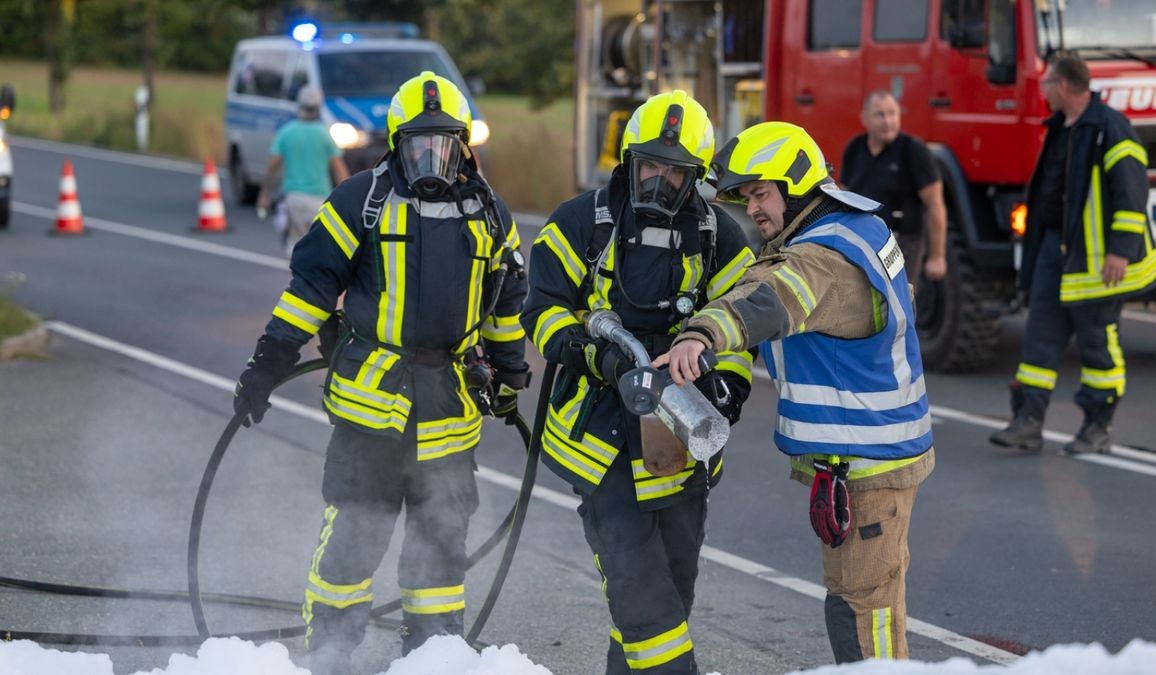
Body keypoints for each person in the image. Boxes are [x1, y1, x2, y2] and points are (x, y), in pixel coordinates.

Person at [233, 71, 530, 674]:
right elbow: (310, 289)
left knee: (442, 548)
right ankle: (332, 657)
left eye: (444, 144)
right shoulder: (360, 200)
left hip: (449, 414)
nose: (432, 158)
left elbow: (505, 303)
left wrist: (508, 375)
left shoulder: (491, 215)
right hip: (371, 414)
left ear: (464, 146)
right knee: (352, 541)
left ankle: (433, 657)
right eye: (419, 144)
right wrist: (267, 364)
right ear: (396, 144)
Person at [656, 121, 935, 663]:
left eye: (762, 193)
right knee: (877, 600)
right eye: (745, 198)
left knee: (859, 608)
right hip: (877, 452)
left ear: (799, 184)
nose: (753, 209)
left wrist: (701, 334)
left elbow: (770, 297)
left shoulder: (822, 258)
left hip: (866, 461)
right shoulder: (853, 228)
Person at [520, 90, 756, 674]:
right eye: (649, 164)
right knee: (644, 602)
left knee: (668, 596)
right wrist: (595, 356)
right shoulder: (580, 223)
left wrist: (726, 388)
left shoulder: (721, 239)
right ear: (628, 160)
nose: (657, 179)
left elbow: (738, 330)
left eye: (673, 171)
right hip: (600, 440)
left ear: (695, 176)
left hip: (683, 442)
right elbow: (543, 309)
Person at [989, 53, 1156, 455]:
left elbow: (1132, 195)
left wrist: (1120, 251)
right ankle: (1027, 421)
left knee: (1097, 343)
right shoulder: (1060, 128)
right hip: (1054, 252)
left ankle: (1097, 426)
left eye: (1048, 83)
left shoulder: (1110, 129)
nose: (1044, 90)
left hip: (1098, 263)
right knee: (1039, 339)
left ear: (1063, 85)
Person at [840, 91, 947, 285]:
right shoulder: (854, 148)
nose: (887, 121)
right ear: (864, 118)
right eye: (879, 115)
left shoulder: (914, 151)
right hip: (861, 242)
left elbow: (935, 204)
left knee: (898, 304)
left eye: (892, 114)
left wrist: (936, 256)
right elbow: (844, 195)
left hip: (902, 244)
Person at [256, 85, 350, 256]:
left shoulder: (287, 132)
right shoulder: (325, 135)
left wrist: (264, 194)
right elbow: (339, 170)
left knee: (295, 247)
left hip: (294, 198)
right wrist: (348, 200)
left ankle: (296, 281)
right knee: (319, 249)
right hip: (320, 199)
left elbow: (272, 167)